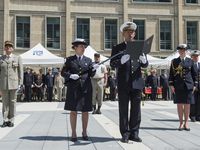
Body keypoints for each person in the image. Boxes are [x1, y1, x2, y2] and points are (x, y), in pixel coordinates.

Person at [110, 21, 148, 143]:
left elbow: (145, 64)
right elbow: (112, 64)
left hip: (136, 82)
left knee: (136, 109)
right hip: (123, 82)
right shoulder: (117, 48)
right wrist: (121, 61)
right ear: (123, 34)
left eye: (132, 32)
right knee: (123, 109)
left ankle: (134, 133)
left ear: (135, 34)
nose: (130, 34)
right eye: (128, 32)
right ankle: (125, 133)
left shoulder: (139, 46)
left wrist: (144, 60)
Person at [61, 38, 97, 142]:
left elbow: (92, 74)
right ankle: (73, 132)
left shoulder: (88, 60)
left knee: (85, 111)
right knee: (73, 111)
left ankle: (84, 131)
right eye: (81, 46)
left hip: (86, 88)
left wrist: (94, 69)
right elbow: (63, 72)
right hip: (74, 89)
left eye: (84, 46)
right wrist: (70, 75)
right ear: (75, 48)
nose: (83, 48)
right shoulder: (69, 60)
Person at [169, 44, 197, 131]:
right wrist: (171, 85)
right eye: (180, 50)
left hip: (188, 85)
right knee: (180, 105)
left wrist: (195, 85)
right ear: (178, 51)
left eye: (184, 50)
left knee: (187, 105)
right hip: (178, 86)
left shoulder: (190, 61)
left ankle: (186, 123)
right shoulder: (174, 61)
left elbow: (194, 74)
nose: (182, 52)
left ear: (186, 51)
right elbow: (171, 75)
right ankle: (181, 123)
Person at [0, 41, 23, 127]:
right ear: (4, 48)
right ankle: (5, 120)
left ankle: (11, 120)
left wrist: (20, 83)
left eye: (10, 46)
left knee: (12, 102)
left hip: (13, 83)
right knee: (5, 102)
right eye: (7, 46)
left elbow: (21, 71)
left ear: (12, 49)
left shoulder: (17, 58)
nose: (8, 48)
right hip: (4, 84)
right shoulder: (1, 58)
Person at [189, 50, 200, 122]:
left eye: (197, 56)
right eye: (194, 56)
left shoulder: (199, 64)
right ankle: (192, 115)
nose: (196, 57)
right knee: (193, 102)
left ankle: (198, 115)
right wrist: (193, 85)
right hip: (193, 86)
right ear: (192, 57)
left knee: (199, 102)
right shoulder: (189, 65)